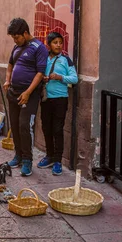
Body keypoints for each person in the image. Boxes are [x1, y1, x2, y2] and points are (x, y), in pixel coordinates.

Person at [3, 18, 49, 177]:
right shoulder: (16, 47)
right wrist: (7, 80)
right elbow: (10, 65)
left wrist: (28, 92)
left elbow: (40, 73)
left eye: (17, 37)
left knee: (24, 125)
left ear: (25, 33)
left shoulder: (39, 48)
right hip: (13, 93)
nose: (15, 40)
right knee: (14, 125)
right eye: (13, 38)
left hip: (29, 94)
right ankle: (18, 155)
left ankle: (28, 161)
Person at [38, 32, 78, 176]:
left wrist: (60, 77)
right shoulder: (44, 59)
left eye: (60, 42)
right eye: (55, 42)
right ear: (49, 44)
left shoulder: (66, 60)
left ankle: (58, 161)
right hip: (46, 99)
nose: (58, 45)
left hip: (60, 99)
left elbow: (74, 79)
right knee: (46, 128)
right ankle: (49, 156)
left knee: (57, 129)